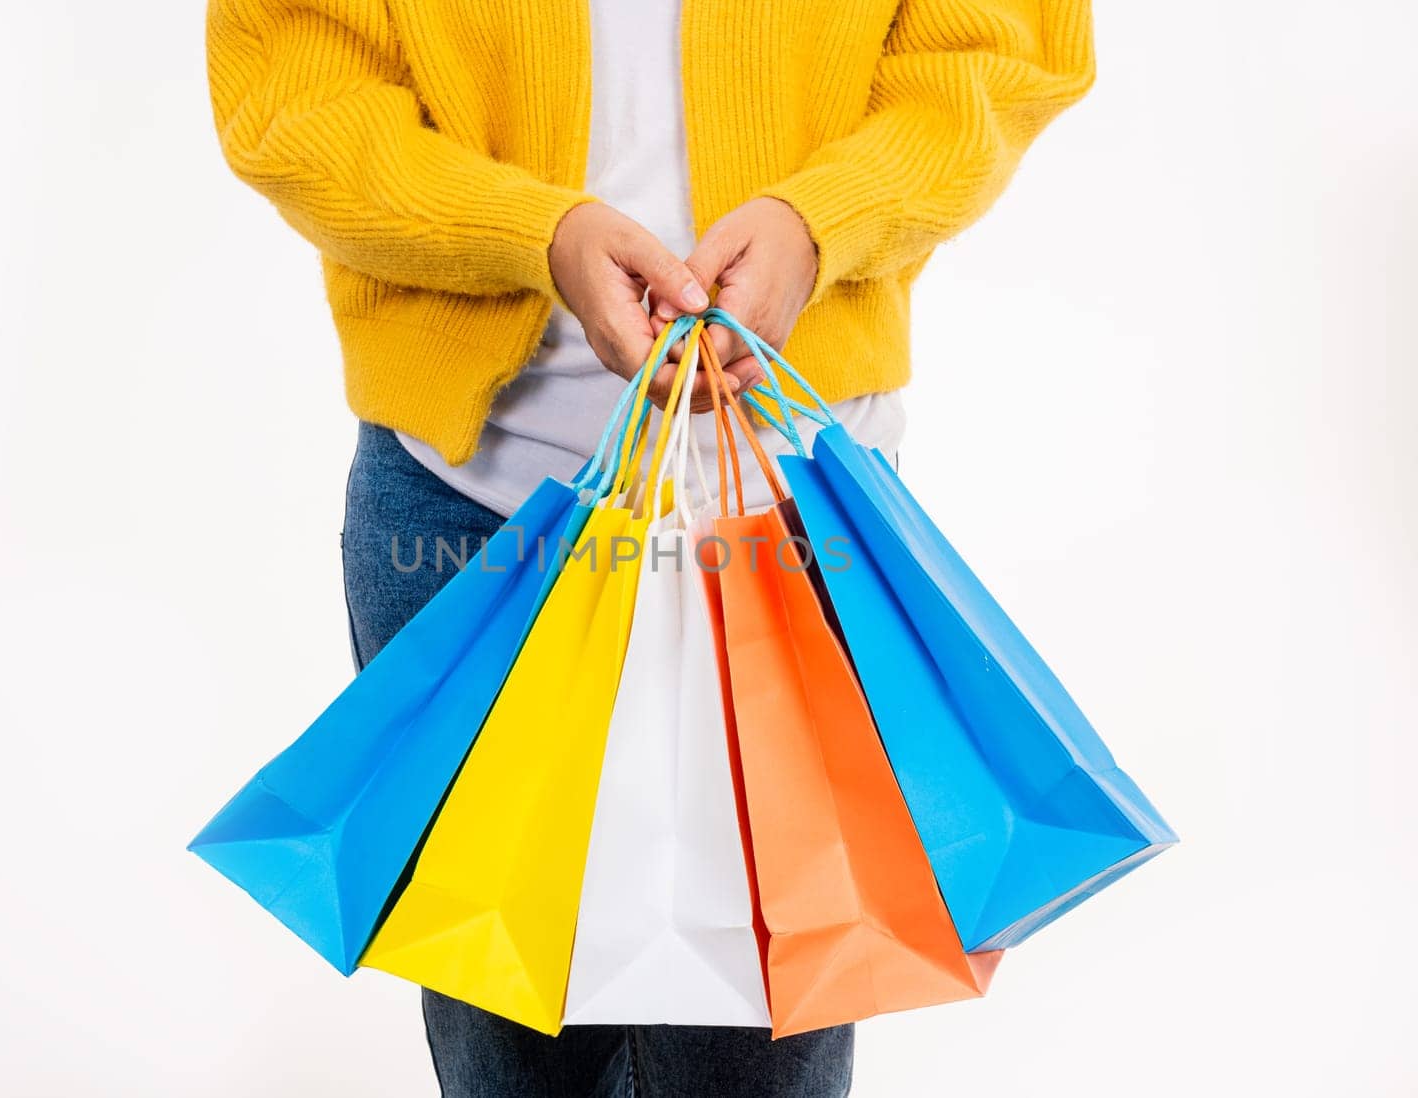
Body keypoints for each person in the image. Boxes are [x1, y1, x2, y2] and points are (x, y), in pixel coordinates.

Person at [205, 0, 1093, 1093]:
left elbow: (998, 48)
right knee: (510, 1049)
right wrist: (536, 234)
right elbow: (296, 102)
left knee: (764, 1037)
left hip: (792, 515)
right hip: (469, 509)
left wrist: (821, 219)